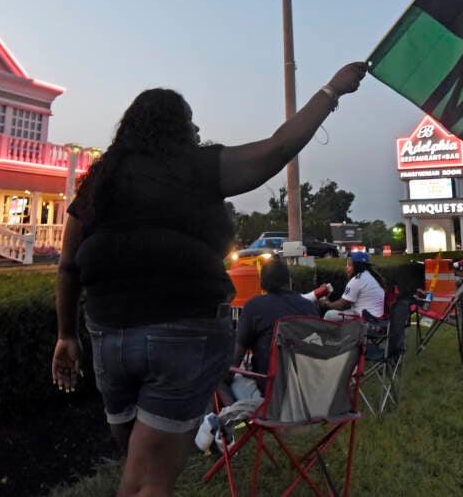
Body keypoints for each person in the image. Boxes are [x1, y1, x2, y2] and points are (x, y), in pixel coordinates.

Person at [51, 61, 367, 497]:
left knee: (140, 466)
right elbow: (277, 149)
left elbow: (67, 264)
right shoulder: (197, 166)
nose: (197, 132)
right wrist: (332, 90)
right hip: (184, 333)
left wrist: (66, 334)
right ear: (176, 128)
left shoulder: (100, 180)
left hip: (109, 340)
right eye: (191, 124)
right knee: (147, 479)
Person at [230, 255, 317, 397]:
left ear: (261, 284)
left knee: (220, 383)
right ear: (289, 281)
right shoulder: (309, 307)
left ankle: (226, 418)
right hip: (307, 394)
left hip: (272, 397)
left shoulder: (254, 306)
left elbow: (236, 360)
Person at [321, 250, 386, 322]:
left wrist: (327, 303)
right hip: (376, 318)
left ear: (357, 266)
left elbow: (342, 305)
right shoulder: (371, 276)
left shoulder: (357, 280)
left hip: (366, 320)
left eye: (349, 265)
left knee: (329, 314)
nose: (346, 267)